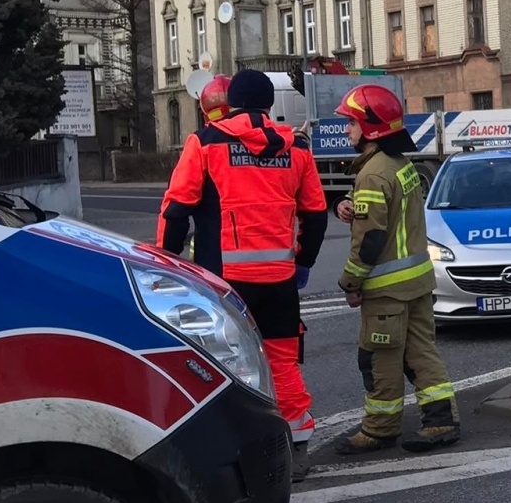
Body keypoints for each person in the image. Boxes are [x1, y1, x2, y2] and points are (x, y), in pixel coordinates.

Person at [159, 68, 329, 480]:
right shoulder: (296, 148)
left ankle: (232, 451)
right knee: (283, 362)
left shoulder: (204, 143)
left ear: (230, 103)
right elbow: (316, 214)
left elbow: (177, 209)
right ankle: (297, 447)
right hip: (279, 279)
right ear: (270, 105)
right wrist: (302, 261)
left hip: (223, 283)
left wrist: (165, 263)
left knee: (221, 364)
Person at [331, 84, 460, 455]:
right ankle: (441, 421)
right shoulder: (400, 166)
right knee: (421, 352)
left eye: (351, 123)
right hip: (417, 283)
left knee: (378, 358)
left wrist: (350, 281)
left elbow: (371, 239)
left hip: (386, 290)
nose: (346, 130)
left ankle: (379, 429)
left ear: (370, 129)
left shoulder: (372, 174)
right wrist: (349, 206)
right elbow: (392, 218)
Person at [156, 74, 232, 276]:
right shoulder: (275, 142)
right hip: (275, 272)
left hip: (214, 263)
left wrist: (165, 257)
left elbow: (177, 208)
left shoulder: (202, 143)